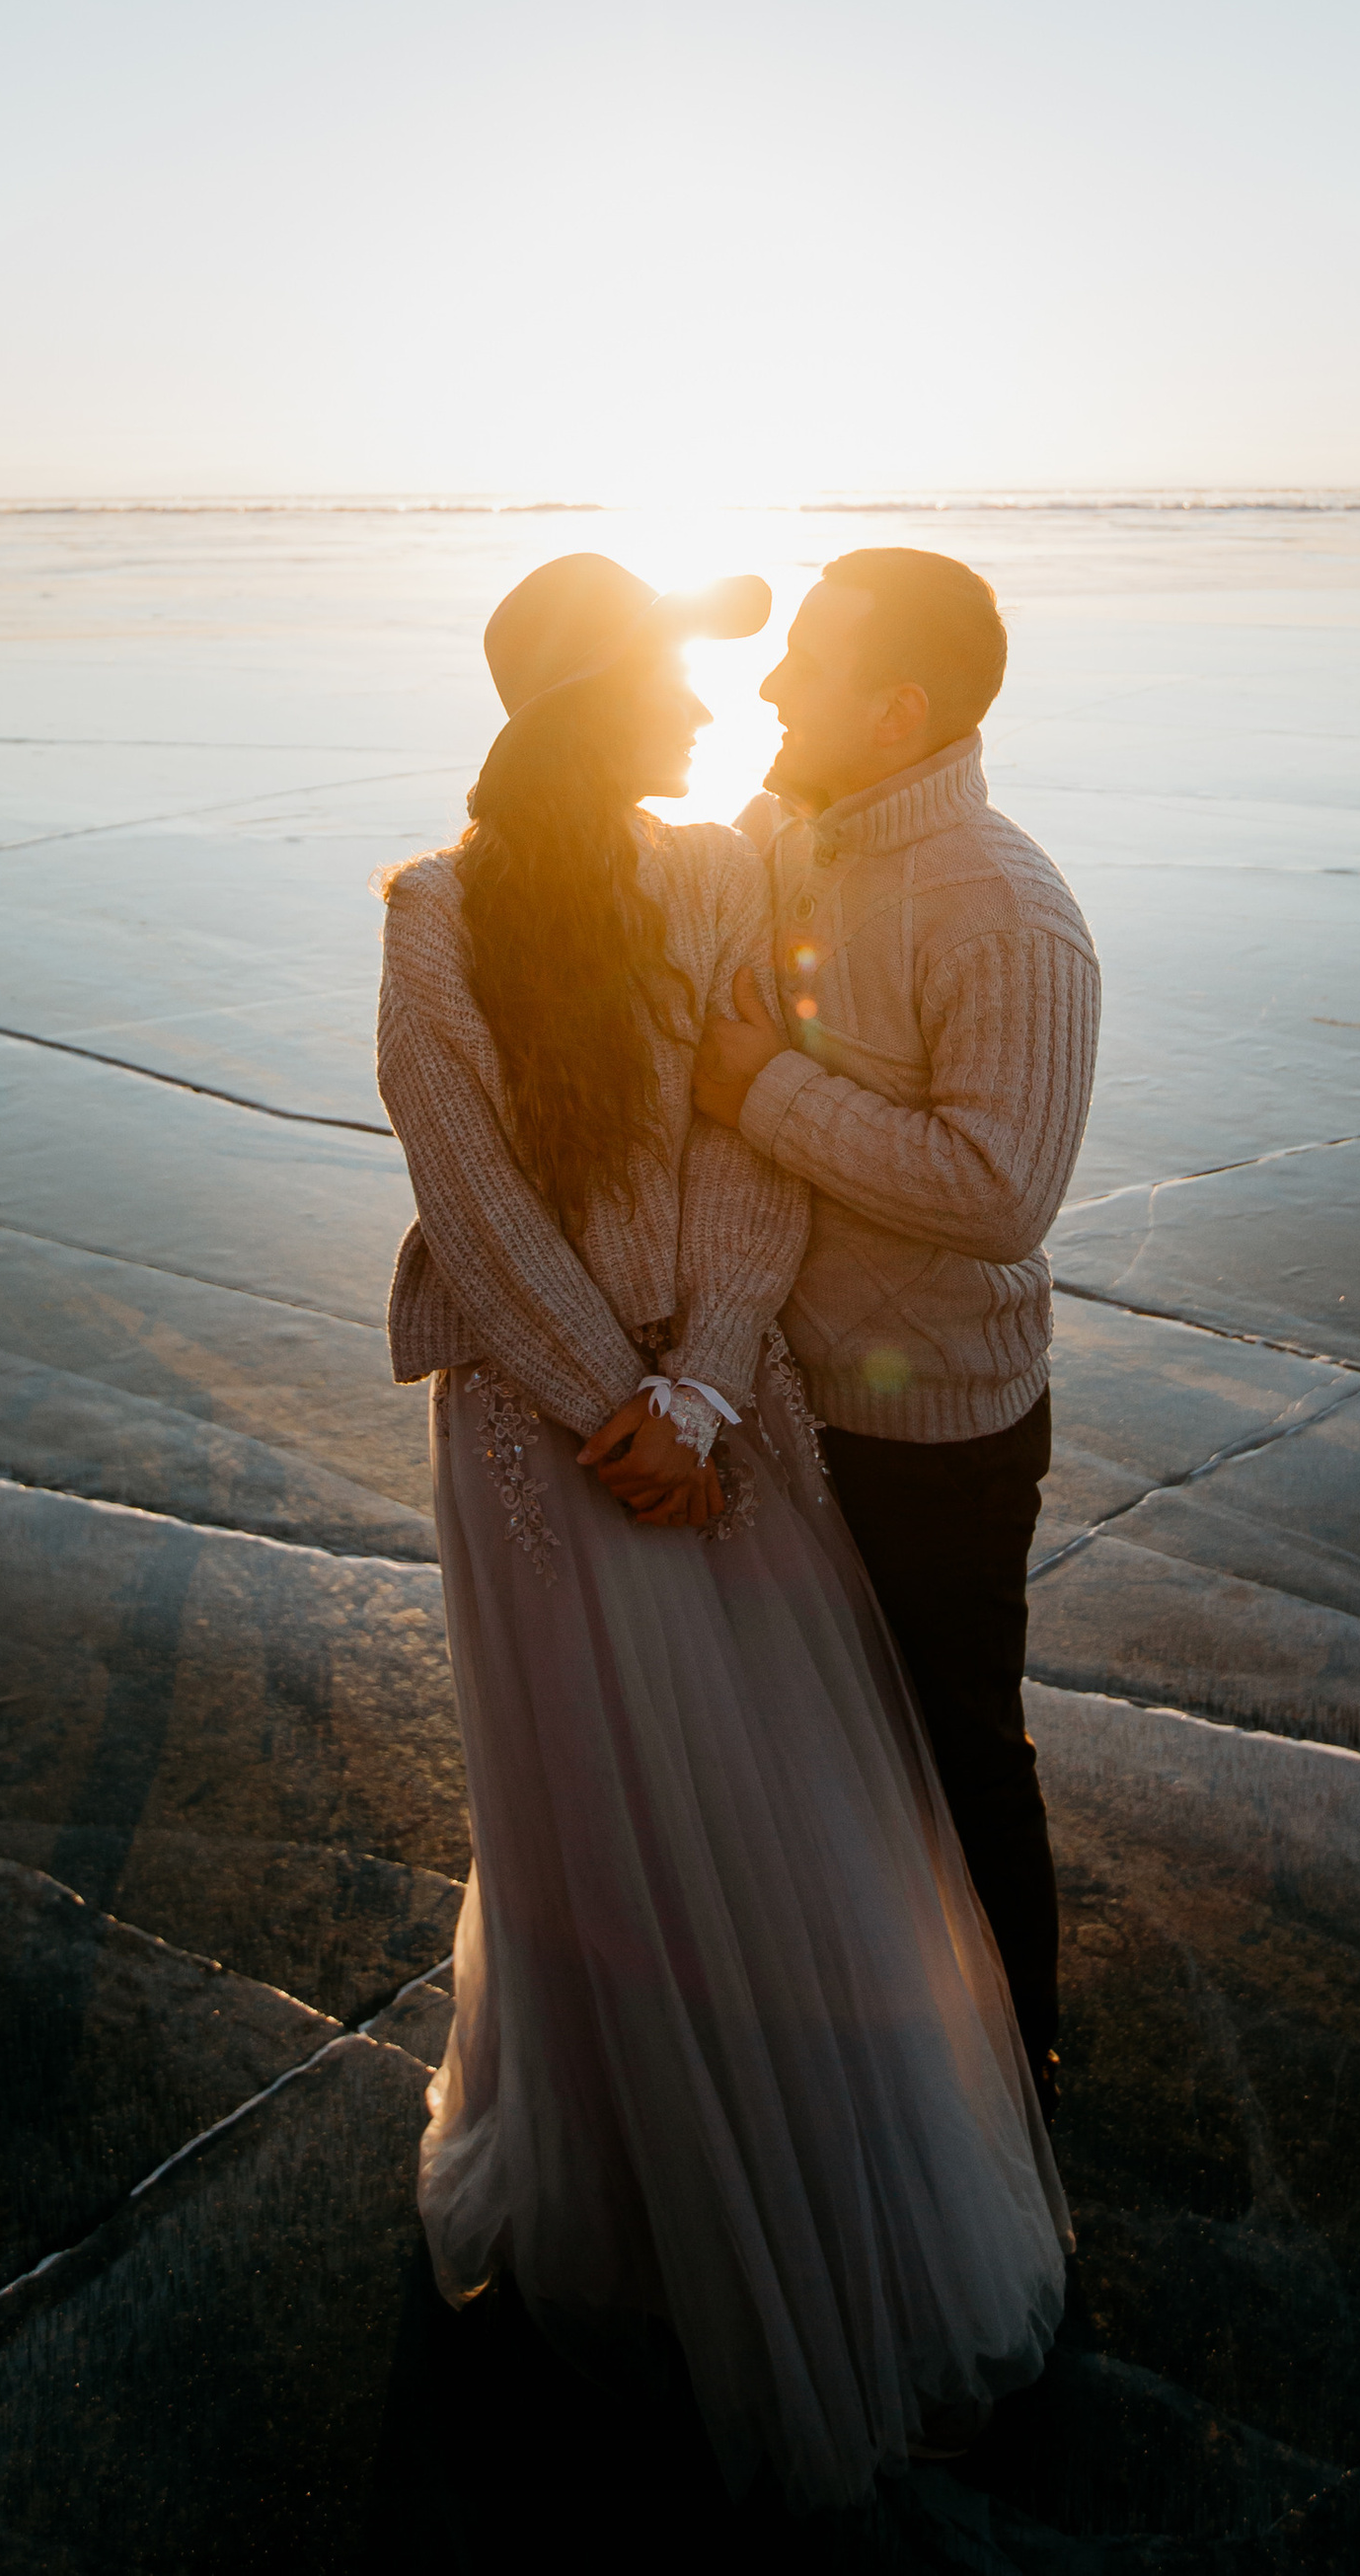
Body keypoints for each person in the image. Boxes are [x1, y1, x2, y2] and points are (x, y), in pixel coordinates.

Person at [374, 552, 1069, 2514]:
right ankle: (625, 2175)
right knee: (582, 1812)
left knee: (772, 1810)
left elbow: (742, 1145)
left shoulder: (726, 876)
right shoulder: (431, 918)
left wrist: (698, 1386)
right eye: (675, 672)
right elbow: (471, 1187)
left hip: (718, 1416)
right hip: (536, 1438)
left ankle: (821, 2175)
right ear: (594, 702)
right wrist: (601, 1393)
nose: (712, 701)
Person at [692, 550, 1101, 2122]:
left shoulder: (1005, 907)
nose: (774, 687)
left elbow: (999, 1193)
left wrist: (760, 1092)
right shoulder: (778, 837)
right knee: (806, 1742)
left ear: (899, 710)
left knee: (953, 1748)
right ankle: (854, 2057)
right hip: (778, 1394)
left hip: (940, 1426)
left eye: (808, 663)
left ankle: (1016, 2077)